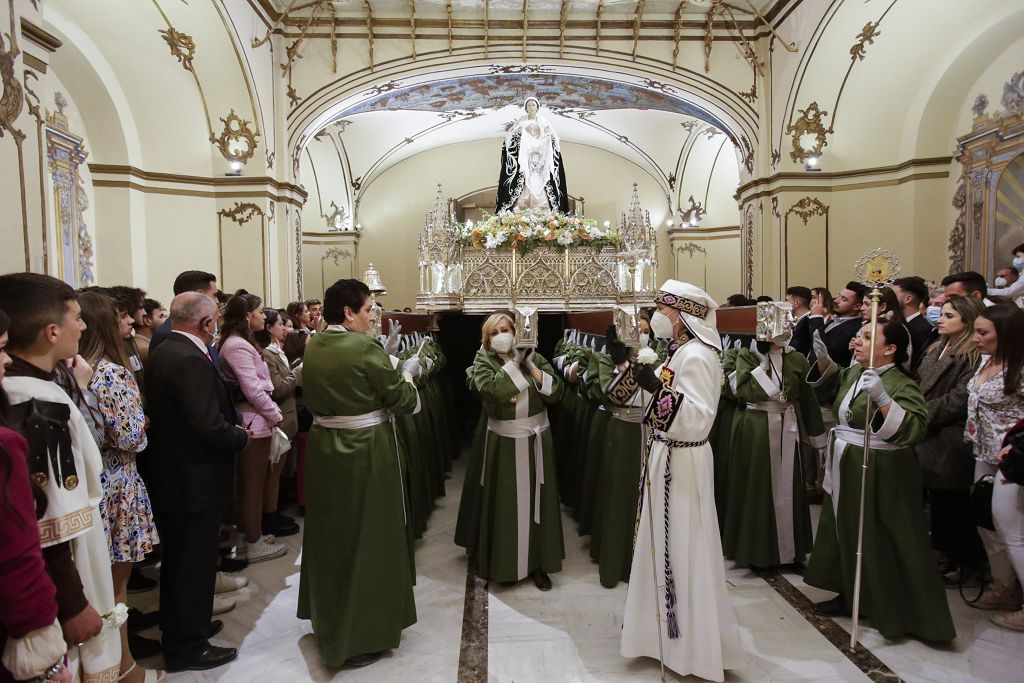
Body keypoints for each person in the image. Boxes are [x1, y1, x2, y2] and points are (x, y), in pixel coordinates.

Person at [0, 273, 122, 681]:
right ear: (52, 332)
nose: (83, 325)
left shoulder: (37, 386)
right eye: (76, 317)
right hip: (66, 571)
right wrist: (72, 603)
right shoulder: (35, 401)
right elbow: (47, 519)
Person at [620, 280, 742, 681]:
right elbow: (653, 406)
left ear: (684, 315)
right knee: (663, 548)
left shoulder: (698, 356)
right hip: (666, 455)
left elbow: (696, 419)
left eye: (666, 311)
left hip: (682, 461)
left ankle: (689, 645)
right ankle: (660, 637)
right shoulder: (680, 352)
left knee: (682, 547)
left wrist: (658, 391)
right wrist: (642, 381)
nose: (660, 318)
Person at [805, 320, 955, 641]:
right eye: (859, 335)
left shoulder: (901, 384)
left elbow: (915, 427)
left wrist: (885, 399)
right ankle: (852, 591)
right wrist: (822, 361)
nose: (857, 342)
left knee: (881, 532)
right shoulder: (856, 374)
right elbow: (833, 392)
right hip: (848, 460)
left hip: (882, 467)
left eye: (868, 337)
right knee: (848, 529)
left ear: (890, 349)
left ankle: (895, 605)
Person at [297, 279, 421, 668]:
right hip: (365, 449)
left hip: (324, 449)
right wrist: (406, 374)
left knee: (332, 534)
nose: (373, 318)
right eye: (369, 310)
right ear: (348, 312)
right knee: (370, 534)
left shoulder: (314, 343)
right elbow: (401, 401)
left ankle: (328, 617)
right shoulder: (364, 347)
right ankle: (361, 632)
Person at [144, 292, 249, 672]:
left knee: (183, 562)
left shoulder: (166, 348)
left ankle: (189, 626)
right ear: (207, 323)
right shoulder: (188, 358)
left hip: (177, 476)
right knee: (192, 564)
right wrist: (239, 436)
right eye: (215, 319)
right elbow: (205, 424)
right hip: (193, 479)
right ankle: (187, 645)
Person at [77, 292, 162, 682]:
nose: (130, 323)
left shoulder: (78, 369)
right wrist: (140, 424)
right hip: (119, 484)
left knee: (98, 582)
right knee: (116, 588)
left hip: (95, 482)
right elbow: (132, 437)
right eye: (122, 318)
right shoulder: (110, 372)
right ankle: (124, 667)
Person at [457, 312, 564, 590]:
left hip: (536, 440)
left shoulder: (534, 358)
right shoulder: (484, 360)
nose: (502, 335)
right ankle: (505, 564)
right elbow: (491, 390)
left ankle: (538, 563)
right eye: (495, 332)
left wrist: (529, 363)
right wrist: (515, 363)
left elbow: (555, 393)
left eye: (506, 329)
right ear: (487, 338)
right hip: (504, 443)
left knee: (538, 502)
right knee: (506, 505)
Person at [0, 307, 72, 683]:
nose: (6, 359)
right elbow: (16, 549)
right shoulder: (8, 437)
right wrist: (44, 631)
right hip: (21, 612)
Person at [723, 320, 826, 570]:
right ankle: (755, 549)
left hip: (786, 424)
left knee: (789, 486)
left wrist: (817, 438)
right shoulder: (747, 354)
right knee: (758, 486)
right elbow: (745, 392)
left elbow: (807, 399)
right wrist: (762, 363)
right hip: (756, 426)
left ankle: (791, 551)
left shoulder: (797, 358)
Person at [916, 295, 985, 583]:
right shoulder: (937, 348)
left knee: (953, 503)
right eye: (941, 315)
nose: (940, 320)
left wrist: (920, 414)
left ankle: (961, 559)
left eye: (948, 316)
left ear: (966, 322)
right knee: (938, 503)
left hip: (949, 436)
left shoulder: (972, 355)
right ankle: (940, 551)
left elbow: (960, 398)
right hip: (928, 433)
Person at [965, 304, 1024, 630]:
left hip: (1013, 459)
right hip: (982, 452)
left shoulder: (1021, 367)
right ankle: (1004, 586)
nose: (976, 338)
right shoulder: (988, 360)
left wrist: (1017, 446)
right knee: (985, 523)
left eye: (983, 333)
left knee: (1012, 530)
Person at [218, 292, 285, 563]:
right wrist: (275, 415)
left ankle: (251, 533)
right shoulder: (237, 346)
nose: (262, 316)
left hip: (258, 418)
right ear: (247, 317)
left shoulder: (243, 343)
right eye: (258, 312)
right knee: (252, 485)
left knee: (254, 482)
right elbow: (253, 389)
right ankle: (253, 542)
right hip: (254, 420)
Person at [254, 308, 302, 538]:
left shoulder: (277, 351)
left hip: (288, 418)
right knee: (273, 473)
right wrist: (299, 372)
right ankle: (270, 514)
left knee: (282, 471)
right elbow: (278, 388)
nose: (285, 328)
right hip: (278, 418)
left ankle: (276, 509)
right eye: (281, 324)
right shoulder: (268, 354)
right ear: (270, 328)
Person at [496, 96, 570, 213]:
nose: (531, 107)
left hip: (540, 158)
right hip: (526, 158)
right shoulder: (521, 121)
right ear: (526, 108)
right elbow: (510, 138)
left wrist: (547, 139)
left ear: (537, 107)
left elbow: (553, 137)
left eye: (533, 105)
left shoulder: (543, 122)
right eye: (529, 105)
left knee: (541, 184)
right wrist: (519, 134)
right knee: (524, 182)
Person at [149, 271, 219, 351]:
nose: (217, 301)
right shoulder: (168, 335)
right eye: (214, 295)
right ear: (199, 295)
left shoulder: (202, 328)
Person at [893, 276, 932, 368]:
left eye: (893, 295)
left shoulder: (923, 329)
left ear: (908, 299)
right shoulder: (895, 323)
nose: (889, 299)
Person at [134, 298, 166, 365]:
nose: (166, 321)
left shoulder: (136, 343)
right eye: (161, 316)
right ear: (147, 320)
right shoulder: (146, 348)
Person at [786, 286, 813, 355]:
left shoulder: (807, 323)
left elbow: (794, 348)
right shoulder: (800, 320)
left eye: (787, 301)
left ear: (797, 303)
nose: (784, 304)